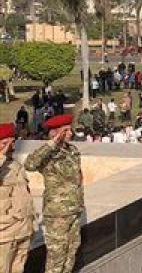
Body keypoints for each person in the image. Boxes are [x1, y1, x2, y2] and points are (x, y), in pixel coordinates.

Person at [24, 114, 84, 273]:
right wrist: (52, 143)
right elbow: (30, 164)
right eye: (66, 131)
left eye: (70, 130)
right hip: (57, 214)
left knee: (71, 253)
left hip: (74, 210)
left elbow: (78, 179)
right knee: (56, 256)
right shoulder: (48, 153)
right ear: (55, 133)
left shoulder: (73, 151)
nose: (71, 134)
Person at [0, 122, 34, 273]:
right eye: (5, 143)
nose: (11, 147)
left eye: (13, 142)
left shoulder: (15, 165)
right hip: (4, 234)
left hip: (22, 230)